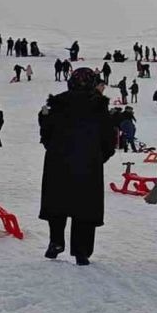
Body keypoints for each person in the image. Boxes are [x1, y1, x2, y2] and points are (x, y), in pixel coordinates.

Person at [38, 68, 115, 265]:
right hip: (88, 163)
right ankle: (81, 251)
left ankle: (56, 242)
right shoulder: (98, 105)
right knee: (85, 206)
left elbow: (46, 133)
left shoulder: (58, 103)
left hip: (58, 161)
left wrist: (54, 149)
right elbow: (109, 138)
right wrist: (99, 157)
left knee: (57, 202)